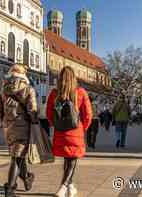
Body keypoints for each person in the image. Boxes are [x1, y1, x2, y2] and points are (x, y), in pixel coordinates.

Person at [46, 66, 92, 197]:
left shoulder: (54, 93)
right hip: (75, 131)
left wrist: (55, 125)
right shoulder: (81, 92)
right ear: (74, 79)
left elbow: (49, 113)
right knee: (72, 160)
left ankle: (70, 187)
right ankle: (63, 187)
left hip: (60, 132)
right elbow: (88, 114)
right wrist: (83, 128)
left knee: (68, 159)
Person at [0, 64, 36, 197]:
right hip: (23, 126)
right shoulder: (28, 89)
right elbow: (32, 110)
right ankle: (10, 189)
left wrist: (3, 120)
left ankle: (27, 177)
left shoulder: (3, 89)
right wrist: (34, 119)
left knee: (18, 155)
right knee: (16, 158)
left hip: (8, 128)